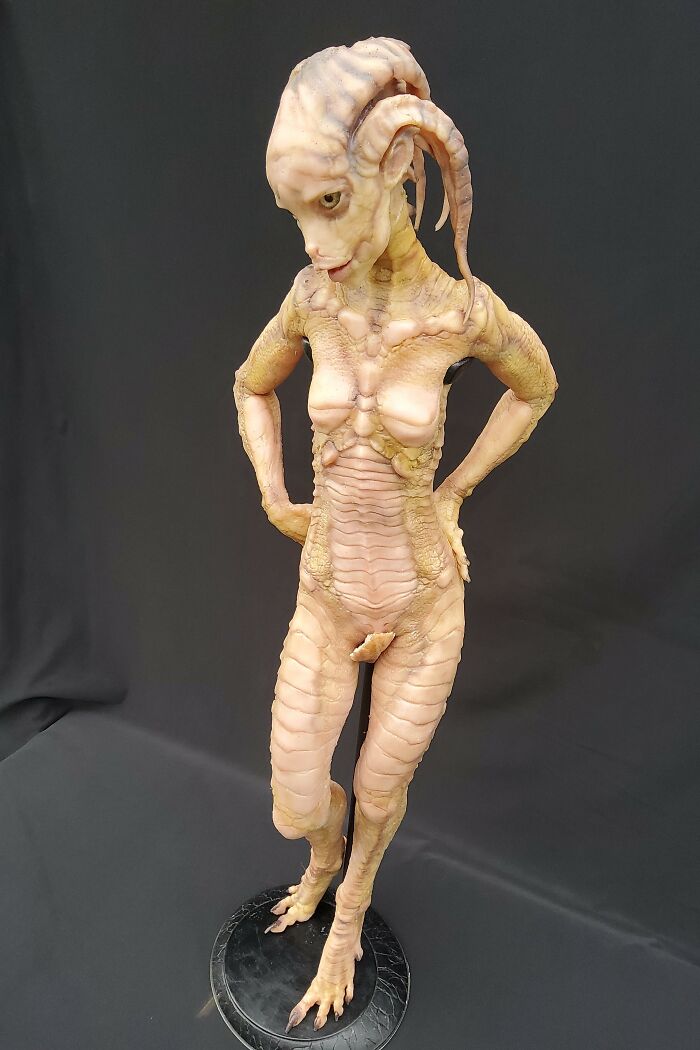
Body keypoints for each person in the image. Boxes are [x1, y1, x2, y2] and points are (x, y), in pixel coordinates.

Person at [234, 36, 557, 1032]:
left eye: (330, 203)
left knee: (380, 788)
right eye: (295, 214)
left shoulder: (461, 313)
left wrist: (454, 493)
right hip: (328, 592)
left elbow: (535, 387)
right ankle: (320, 858)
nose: (312, 242)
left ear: (398, 166)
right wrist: (273, 494)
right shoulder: (313, 301)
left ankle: (346, 926)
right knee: (298, 800)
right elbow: (252, 386)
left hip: (421, 602)